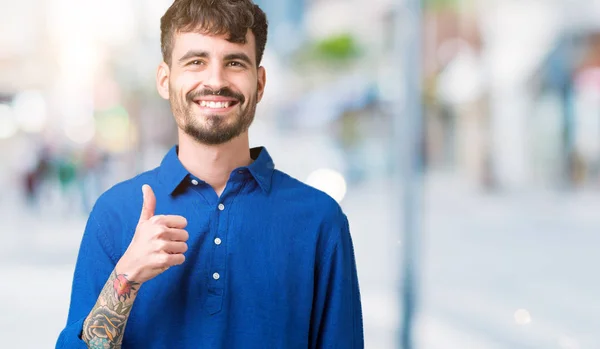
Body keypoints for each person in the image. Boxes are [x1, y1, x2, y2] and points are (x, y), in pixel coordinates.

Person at [56, 0, 363, 348]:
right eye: (196, 61)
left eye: (234, 62)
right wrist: (126, 276)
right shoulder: (114, 213)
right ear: (164, 79)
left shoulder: (321, 220)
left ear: (259, 83)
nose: (215, 80)